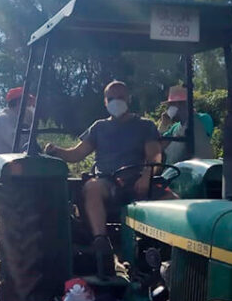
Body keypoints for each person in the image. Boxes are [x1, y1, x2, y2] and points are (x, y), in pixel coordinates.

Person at [43, 80, 161, 272]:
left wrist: (147, 175)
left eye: (120, 97)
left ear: (129, 99)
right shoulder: (99, 127)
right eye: (111, 98)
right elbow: (77, 154)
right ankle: (101, 241)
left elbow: (155, 156)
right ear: (105, 102)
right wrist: (57, 151)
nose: (116, 102)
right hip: (108, 182)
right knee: (92, 186)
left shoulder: (145, 125)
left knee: (174, 200)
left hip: (138, 180)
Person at [159, 85, 214, 164]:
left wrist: (186, 115)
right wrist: (163, 125)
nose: (169, 109)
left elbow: (198, 136)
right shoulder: (174, 128)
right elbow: (159, 146)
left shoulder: (204, 118)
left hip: (196, 168)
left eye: (171, 105)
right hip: (173, 170)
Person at [0, 87, 35, 159]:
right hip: (5, 162)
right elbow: (19, 144)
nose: (30, 106)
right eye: (28, 104)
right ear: (19, 102)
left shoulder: (17, 119)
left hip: (17, 159)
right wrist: (31, 125)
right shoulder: (2, 119)